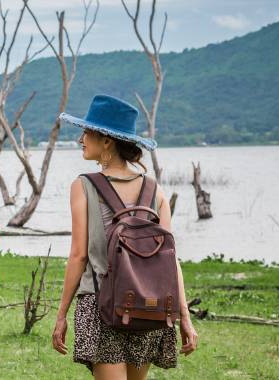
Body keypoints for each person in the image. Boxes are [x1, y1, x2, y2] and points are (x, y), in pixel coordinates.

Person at [50, 95, 198, 380]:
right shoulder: (155, 190)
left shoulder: (83, 186)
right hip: (148, 306)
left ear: (106, 141)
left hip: (99, 305)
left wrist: (61, 316)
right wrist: (184, 318)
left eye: (86, 132)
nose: (81, 139)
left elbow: (79, 255)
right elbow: (170, 260)